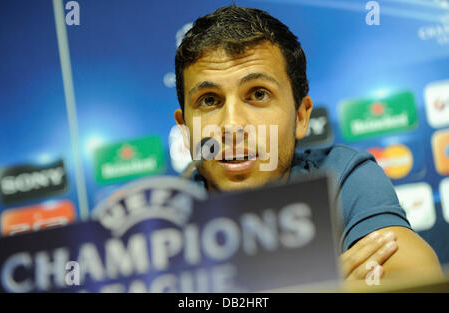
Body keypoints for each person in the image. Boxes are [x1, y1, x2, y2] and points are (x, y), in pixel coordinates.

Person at [173, 5, 442, 287]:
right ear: (186, 129)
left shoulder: (339, 177)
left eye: (258, 94)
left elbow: (416, 276)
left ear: (301, 116)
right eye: (209, 100)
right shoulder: (157, 221)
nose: (231, 126)